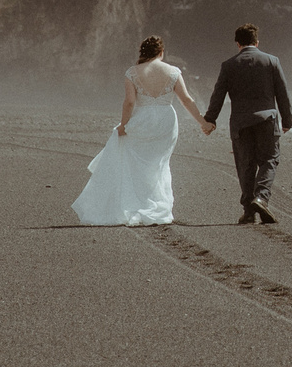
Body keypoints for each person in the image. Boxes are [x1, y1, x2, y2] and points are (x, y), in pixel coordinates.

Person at [71, 36, 203, 227]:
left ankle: (135, 203)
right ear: (161, 52)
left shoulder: (133, 72)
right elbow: (186, 100)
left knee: (135, 163)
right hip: (166, 121)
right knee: (158, 163)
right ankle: (159, 205)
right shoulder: (173, 71)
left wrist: (123, 125)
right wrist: (203, 122)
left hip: (143, 120)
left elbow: (130, 102)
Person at [204, 23, 292, 224]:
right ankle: (261, 197)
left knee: (245, 164)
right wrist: (287, 120)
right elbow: (282, 93)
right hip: (267, 120)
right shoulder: (271, 61)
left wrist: (210, 119)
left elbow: (218, 95)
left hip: (240, 122)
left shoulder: (229, 65)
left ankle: (248, 210)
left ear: (237, 43)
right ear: (257, 42)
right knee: (269, 159)